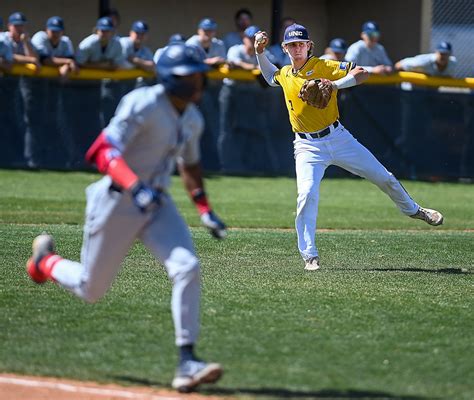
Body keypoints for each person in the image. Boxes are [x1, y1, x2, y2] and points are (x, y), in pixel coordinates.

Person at [26, 43, 226, 392]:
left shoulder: (193, 118)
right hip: (116, 202)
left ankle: (187, 362)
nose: (197, 81)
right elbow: (103, 151)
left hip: (157, 204)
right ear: (168, 78)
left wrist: (204, 209)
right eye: (188, 76)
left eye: (199, 75)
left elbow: (189, 164)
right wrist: (136, 187)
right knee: (91, 289)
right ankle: (45, 262)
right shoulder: (144, 103)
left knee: (187, 267)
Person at [254, 24, 444, 271]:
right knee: (306, 195)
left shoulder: (324, 66)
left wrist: (335, 85)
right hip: (306, 147)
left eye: (301, 44)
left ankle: (415, 210)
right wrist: (259, 53)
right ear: (285, 48)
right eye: (292, 45)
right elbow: (270, 76)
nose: (297, 48)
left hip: (338, 138)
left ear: (309, 45)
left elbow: (362, 72)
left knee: (382, 176)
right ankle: (310, 255)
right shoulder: (287, 73)